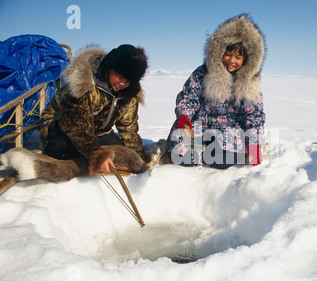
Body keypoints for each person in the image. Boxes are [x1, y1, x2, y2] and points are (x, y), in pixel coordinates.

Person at [165, 14, 266, 169]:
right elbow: (189, 96)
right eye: (228, 54)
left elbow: (254, 116)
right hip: (198, 125)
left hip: (229, 131)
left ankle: (210, 154)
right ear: (219, 51)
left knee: (223, 161)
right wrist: (184, 116)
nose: (232, 60)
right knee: (183, 158)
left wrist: (254, 144)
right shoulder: (204, 72)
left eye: (238, 57)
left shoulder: (250, 82)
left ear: (248, 60)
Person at [41, 44, 149, 175]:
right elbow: (75, 126)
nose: (122, 84)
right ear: (109, 68)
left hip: (100, 132)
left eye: (128, 81)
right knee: (61, 153)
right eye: (120, 77)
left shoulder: (128, 94)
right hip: (63, 127)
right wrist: (97, 155)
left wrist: (139, 157)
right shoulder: (84, 83)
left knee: (122, 156)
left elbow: (129, 128)